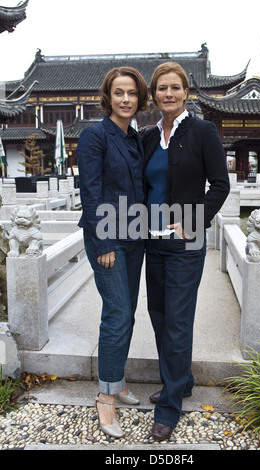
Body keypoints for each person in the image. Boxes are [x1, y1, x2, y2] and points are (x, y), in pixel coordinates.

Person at [143, 62, 230, 441]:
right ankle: (181, 380)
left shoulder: (203, 131)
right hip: (152, 240)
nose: (168, 94)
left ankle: (169, 407)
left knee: (178, 321)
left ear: (186, 92)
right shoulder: (147, 137)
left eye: (175, 87)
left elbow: (220, 185)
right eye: (162, 88)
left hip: (186, 242)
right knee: (160, 315)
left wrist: (195, 221)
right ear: (154, 94)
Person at [77, 67, 148, 438]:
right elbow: (90, 191)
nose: (125, 99)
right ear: (108, 96)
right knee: (118, 313)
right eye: (119, 92)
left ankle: (116, 381)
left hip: (134, 237)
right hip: (107, 239)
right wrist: (103, 241)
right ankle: (106, 398)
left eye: (132, 93)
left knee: (127, 314)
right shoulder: (94, 135)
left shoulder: (134, 137)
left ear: (139, 99)